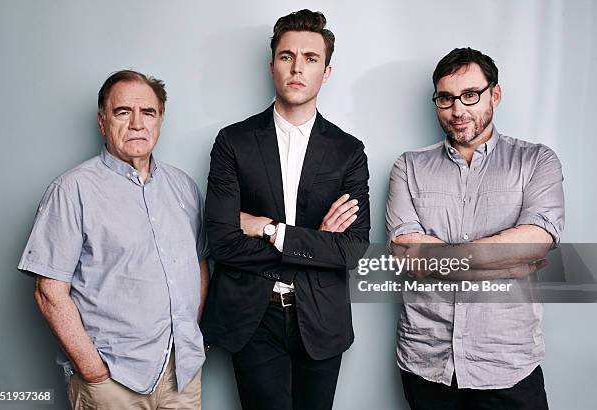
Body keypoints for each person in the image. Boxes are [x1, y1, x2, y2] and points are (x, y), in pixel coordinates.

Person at [201, 9, 370, 410]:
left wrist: (270, 229)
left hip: (321, 319)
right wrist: (315, 244)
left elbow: (351, 250)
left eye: (311, 58)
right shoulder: (233, 142)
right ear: (272, 65)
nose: (297, 68)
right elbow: (222, 242)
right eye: (286, 56)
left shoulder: (349, 152)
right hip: (252, 318)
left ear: (326, 72)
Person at [18, 70, 209, 409]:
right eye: (123, 112)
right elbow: (49, 292)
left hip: (182, 374)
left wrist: (189, 337)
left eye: (147, 112)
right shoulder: (72, 190)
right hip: (113, 381)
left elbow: (198, 265)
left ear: (160, 120)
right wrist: (93, 371)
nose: (137, 123)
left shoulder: (184, 188)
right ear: (102, 121)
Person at [386, 47, 564, 409]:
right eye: (446, 98)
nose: (458, 110)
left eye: (470, 95)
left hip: (507, 363)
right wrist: (504, 260)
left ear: (494, 94)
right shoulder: (409, 166)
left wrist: (439, 256)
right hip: (427, 361)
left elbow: (536, 240)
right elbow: (406, 253)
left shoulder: (536, 161)